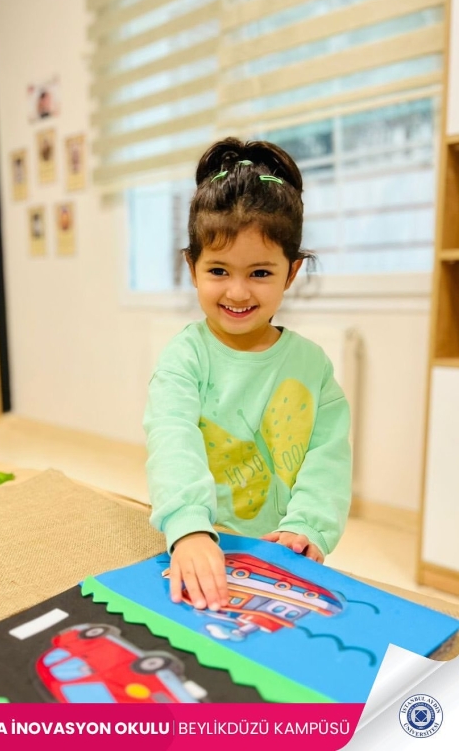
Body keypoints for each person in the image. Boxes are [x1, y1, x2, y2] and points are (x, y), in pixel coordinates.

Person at [143, 137, 352, 614]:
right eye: (219, 270)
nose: (237, 292)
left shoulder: (313, 364)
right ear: (192, 267)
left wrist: (308, 527)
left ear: (291, 273)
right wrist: (189, 529)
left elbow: (329, 458)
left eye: (260, 273)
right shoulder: (184, 357)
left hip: (282, 554)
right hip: (203, 544)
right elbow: (172, 441)